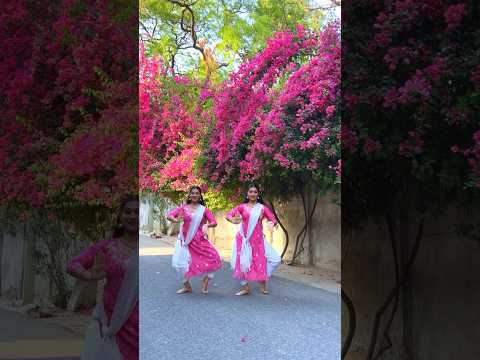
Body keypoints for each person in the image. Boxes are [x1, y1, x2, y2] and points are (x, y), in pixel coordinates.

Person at [67, 195, 139, 360]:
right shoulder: (108, 247)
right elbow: (73, 264)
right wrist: (89, 275)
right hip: (113, 323)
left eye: (137, 212)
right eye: (128, 212)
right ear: (121, 216)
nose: (132, 216)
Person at [226, 184, 281, 296]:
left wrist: (271, 224)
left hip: (258, 240)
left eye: (255, 192)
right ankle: (246, 287)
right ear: (247, 194)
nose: (253, 194)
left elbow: (273, 220)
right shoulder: (241, 207)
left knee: (276, 259)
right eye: (250, 191)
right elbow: (228, 215)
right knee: (241, 263)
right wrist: (234, 220)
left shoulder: (262, 208)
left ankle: (263, 278)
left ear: (258, 194)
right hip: (244, 240)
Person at [167, 186, 222, 294]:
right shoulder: (183, 208)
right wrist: (175, 219)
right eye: (192, 193)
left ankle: (206, 279)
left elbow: (214, 222)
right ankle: (187, 285)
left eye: (197, 193)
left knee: (215, 258)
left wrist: (208, 225)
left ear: (200, 195)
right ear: (189, 195)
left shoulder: (204, 210)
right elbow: (170, 215)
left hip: (200, 240)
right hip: (185, 241)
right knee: (179, 263)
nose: (194, 195)